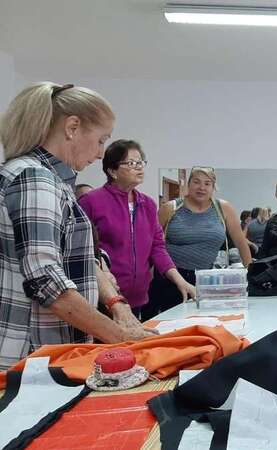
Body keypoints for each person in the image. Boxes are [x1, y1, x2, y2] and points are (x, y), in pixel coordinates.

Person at [0, 83, 154, 369]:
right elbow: (45, 279)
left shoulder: (48, 180)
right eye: (100, 140)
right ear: (72, 127)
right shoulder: (34, 178)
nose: (99, 154)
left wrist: (116, 304)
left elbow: (76, 257)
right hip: (31, 354)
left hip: (44, 350)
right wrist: (119, 337)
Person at [79, 139, 195, 317]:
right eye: (132, 163)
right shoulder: (91, 202)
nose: (139, 168)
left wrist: (180, 281)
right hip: (103, 297)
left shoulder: (147, 204)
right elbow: (85, 249)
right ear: (112, 171)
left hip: (138, 298)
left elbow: (157, 248)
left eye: (141, 162)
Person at [146, 167, 252, 320]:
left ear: (213, 187)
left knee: (201, 323)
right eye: (196, 182)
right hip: (169, 279)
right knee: (169, 325)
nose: (201, 188)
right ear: (188, 184)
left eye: (207, 183)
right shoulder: (170, 208)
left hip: (205, 280)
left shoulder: (223, 209)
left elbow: (241, 243)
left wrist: (250, 275)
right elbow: (151, 245)